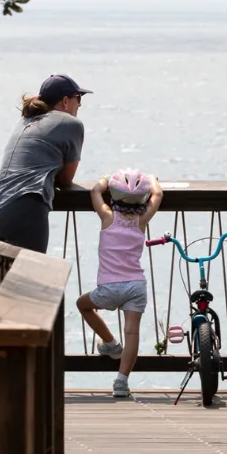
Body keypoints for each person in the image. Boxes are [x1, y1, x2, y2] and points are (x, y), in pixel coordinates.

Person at [75, 169, 163, 399]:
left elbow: (95, 190)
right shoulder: (142, 220)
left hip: (109, 288)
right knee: (132, 332)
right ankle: (121, 382)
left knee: (82, 304)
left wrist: (105, 179)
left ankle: (111, 344)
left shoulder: (107, 216)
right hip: (136, 285)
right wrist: (153, 179)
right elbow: (158, 195)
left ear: (113, 195)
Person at [0, 73, 90, 253]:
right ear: (65, 101)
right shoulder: (71, 123)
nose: (80, 104)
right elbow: (66, 179)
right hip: (24, 207)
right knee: (30, 278)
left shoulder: (26, 121)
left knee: (5, 280)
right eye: (78, 98)